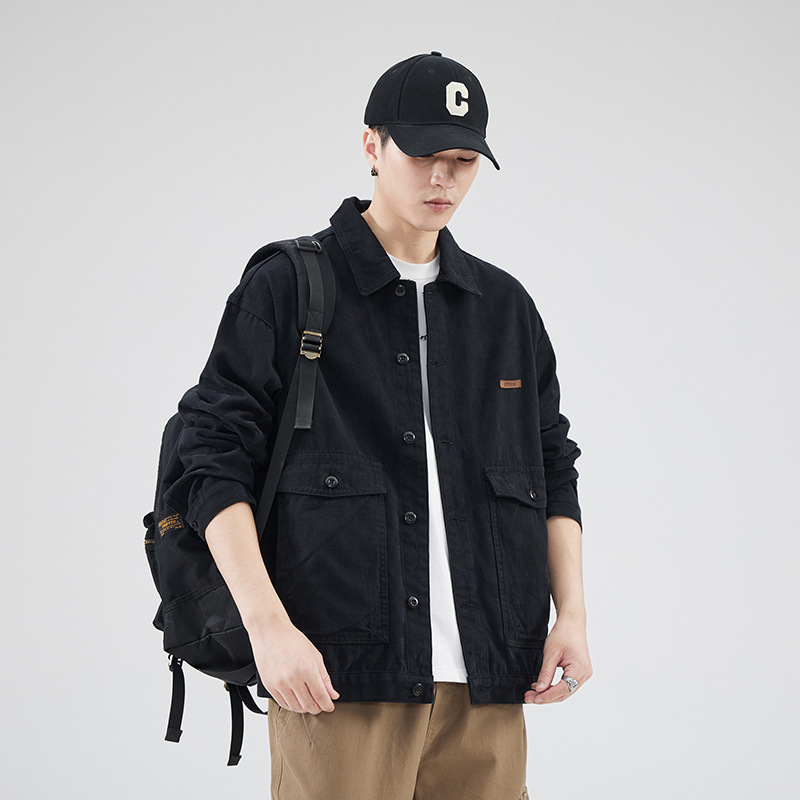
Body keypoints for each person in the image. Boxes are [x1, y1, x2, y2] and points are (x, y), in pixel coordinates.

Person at [170, 51, 592, 800]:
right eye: (423, 154)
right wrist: (269, 630)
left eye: (463, 161)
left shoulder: (504, 308)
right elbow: (210, 458)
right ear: (372, 145)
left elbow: (551, 465)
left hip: (490, 678)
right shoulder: (290, 285)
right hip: (337, 675)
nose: (443, 179)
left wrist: (573, 616)